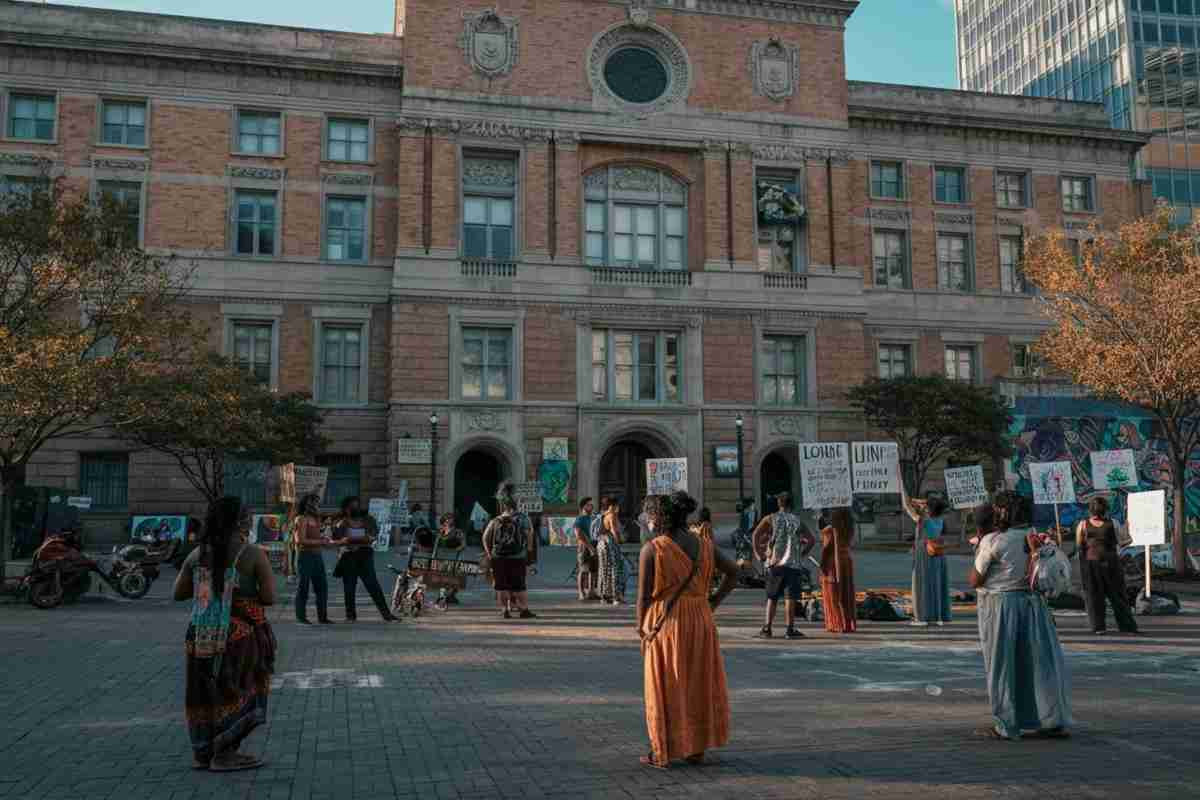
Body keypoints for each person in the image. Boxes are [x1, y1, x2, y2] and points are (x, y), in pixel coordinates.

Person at [174, 496, 277, 771]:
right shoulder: (252, 554)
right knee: (235, 689)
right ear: (240, 522)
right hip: (238, 635)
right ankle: (224, 754)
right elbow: (269, 597)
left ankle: (203, 753)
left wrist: (209, 588)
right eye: (247, 515)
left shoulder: (197, 555)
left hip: (201, 634)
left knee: (203, 692)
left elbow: (178, 593)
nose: (250, 519)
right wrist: (241, 593)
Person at [637, 491, 737, 769]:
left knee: (667, 683)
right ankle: (696, 749)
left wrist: (641, 630)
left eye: (649, 515)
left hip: (667, 622)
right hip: (701, 618)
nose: (646, 520)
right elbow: (734, 572)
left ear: (659, 518)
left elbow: (643, 598)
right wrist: (713, 601)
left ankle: (662, 749)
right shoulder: (704, 544)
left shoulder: (653, 549)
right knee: (698, 682)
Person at [969, 494, 1072, 741]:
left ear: (1002, 513)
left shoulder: (994, 541)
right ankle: (1051, 720)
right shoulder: (1038, 537)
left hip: (1001, 608)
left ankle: (1006, 723)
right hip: (1034, 605)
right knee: (1040, 663)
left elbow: (975, 580)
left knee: (1003, 665)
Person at [750, 492, 815, 639]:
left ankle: (767, 629)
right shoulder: (797, 521)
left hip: (775, 564)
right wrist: (801, 554)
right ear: (792, 504)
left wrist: (759, 555)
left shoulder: (770, 518)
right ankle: (789, 630)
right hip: (793, 565)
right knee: (790, 598)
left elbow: (755, 535)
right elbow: (811, 540)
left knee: (772, 597)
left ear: (779, 504)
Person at [1075, 496, 1138, 635]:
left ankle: (1098, 627)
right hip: (1111, 564)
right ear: (1106, 510)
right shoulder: (1113, 523)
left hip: (1092, 565)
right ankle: (1127, 626)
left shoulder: (1083, 525)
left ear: (1090, 510)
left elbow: (1079, 545)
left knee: (1094, 596)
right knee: (1118, 596)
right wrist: (1128, 532)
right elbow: (1123, 542)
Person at [332, 497, 397, 623]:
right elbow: (338, 539)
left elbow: (372, 536)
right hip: (348, 556)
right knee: (349, 587)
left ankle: (386, 614)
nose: (355, 508)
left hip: (365, 555)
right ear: (346, 509)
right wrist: (351, 540)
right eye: (352, 506)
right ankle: (350, 616)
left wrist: (355, 539)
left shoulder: (368, 520)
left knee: (373, 585)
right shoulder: (340, 523)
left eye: (357, 505)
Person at [482, 492, 537, 619]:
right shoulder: (523, 518)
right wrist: (529, 553)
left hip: (498, 557)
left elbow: (485, 537)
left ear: (503, 506)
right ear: (516, 505)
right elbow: (529, 535)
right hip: (518, 557)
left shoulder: (495, 520)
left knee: (501, 586)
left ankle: (505, 610)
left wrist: (489, 554)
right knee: (519, 585)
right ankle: (524, 610)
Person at [902, 488, 952, 626]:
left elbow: (907, 507)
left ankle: (923, 615)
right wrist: (921, 502)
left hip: (924, 554)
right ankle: (937, 615)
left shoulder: (923, 520)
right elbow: (931, 505)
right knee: (936, 584)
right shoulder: (940, 520)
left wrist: (903, 491)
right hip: (937, 553)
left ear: (929, 509)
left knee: (923, 585)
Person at [293, 492, 340, 624]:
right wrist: (320, 541)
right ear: (307, 504)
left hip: (317, 556)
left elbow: (317, 538)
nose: (316, 506)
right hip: (305, 556)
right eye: (313, 503)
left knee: (322, 587)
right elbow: (300, 540)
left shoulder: (316, 519)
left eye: (317, 503)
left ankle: (322, 617)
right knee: (303, 587)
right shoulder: (301, 519)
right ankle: (301, 617)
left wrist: (326, 541)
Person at [819, 508, 857, 633]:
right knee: (846, 592)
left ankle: (837, 623)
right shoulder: (849, 529)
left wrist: (822, 566)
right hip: (846, 560)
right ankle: (847, 623)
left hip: (833, 563)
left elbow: (826, 550)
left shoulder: (830, 530)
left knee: (834, 594)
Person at [596, 497, 625, 605]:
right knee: (614, 569)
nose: (619, 508)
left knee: (604, 570)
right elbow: (614, 531)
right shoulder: (611, 515)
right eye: (617, 505)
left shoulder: (603, 515)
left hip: (602, 545)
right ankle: (615, 597)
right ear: (612, 506)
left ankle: (604, 596)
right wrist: (620, 540)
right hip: (610, 545)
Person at [436, 512, 467, 605]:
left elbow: (463, 544)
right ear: (443, 521)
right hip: (441, 557)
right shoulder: (440, 532)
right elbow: (435, 544)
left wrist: (455, 551)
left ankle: (451, 595)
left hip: (454, 558)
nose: (449, 520)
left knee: (455, 578)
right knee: (442, 578)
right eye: (447, 519)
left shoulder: (458, 532)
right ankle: (442, 596)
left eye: (450, 518)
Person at [574, 497, 599, 602]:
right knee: (583, 570)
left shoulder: (592, 518)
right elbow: (578, 535)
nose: (591, 506)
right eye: (589, 504)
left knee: (593, 570)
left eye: (592, 504)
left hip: (594, 544)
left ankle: (591, 591)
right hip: (584, 547)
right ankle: (581, 592)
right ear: (583, 506)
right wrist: (589, 547)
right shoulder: (580, 519)